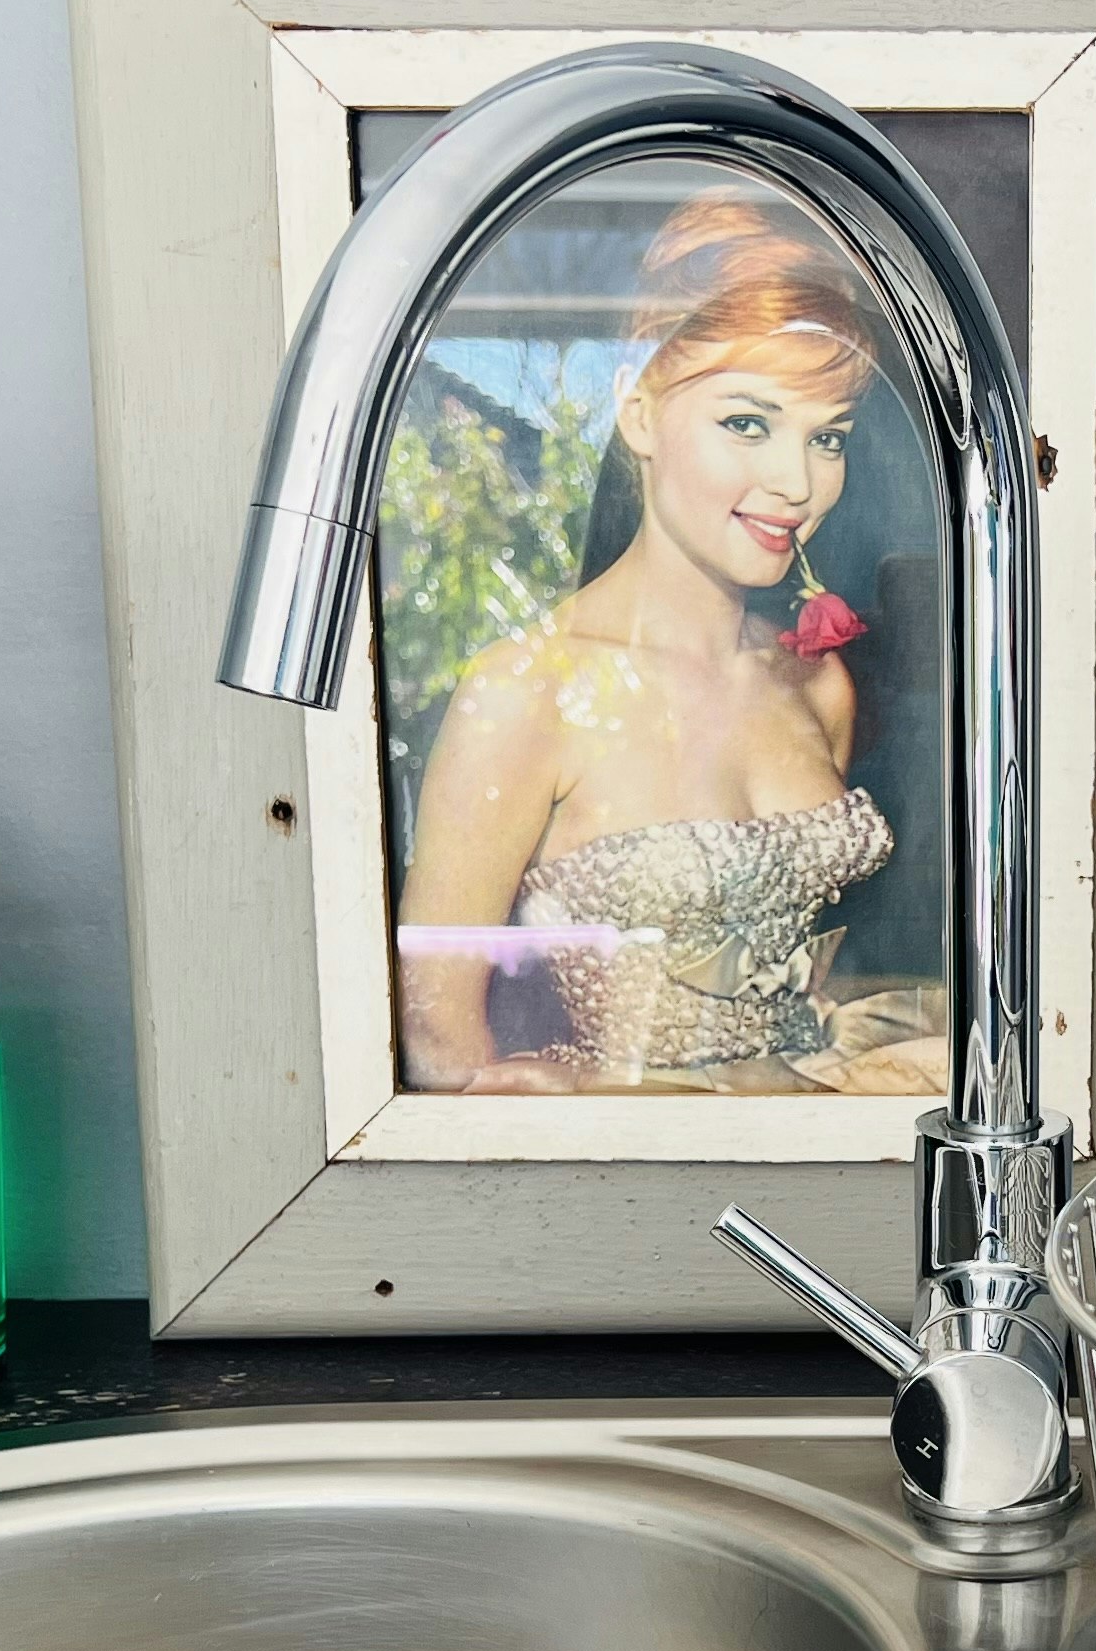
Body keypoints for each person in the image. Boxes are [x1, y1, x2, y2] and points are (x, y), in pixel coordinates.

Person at [389, 190, 943, 1096]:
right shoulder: (528, 691)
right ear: (639, 411)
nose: (796, 482)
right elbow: (436, 1040)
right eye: (748, 422)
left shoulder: (816, 685)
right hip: (634, 1159)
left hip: (821, 1134)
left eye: (828, 437)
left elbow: (783, 978)